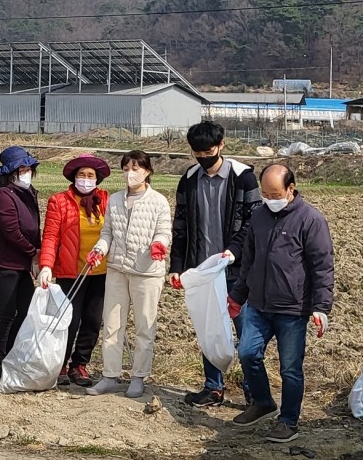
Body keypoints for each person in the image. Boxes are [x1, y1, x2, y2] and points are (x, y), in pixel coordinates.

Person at [227, 163, 334, 443]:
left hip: (293, 309)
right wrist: (237, 296)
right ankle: (263, 402)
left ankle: (288, 421)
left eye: (275, 194)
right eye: (265, 194)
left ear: (291, 189)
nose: (270, 200)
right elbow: (248, 260)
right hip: (258, 305)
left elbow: (322, 267)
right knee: (248, 353)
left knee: (290, 368)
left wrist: (321, 307)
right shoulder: (259, 217)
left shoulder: (311, 220)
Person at [169, 121, 262, 408]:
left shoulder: (243, 177)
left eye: (207, 151)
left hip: (237, 271)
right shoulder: (189, 179)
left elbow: (253, 222)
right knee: (208, 329)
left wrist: (234, 251)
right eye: (196, 152)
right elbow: (180, 225)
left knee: (246, 333)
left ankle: (254, 391)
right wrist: (176, 265)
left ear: (222, 144)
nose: (202, 157)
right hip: (203, 271)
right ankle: (213, 387)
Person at [86, 150, 171, 399]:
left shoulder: (158, 201)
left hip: (147, 272)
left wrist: (159, 245)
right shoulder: (114, 200)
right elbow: (107, 233)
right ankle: (109, 376)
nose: (130, 173)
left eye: (136, 168)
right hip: (117, 269)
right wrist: (99, 250)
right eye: (126, 168)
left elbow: (164, 231)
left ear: (147, 171)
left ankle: (138, 377)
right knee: (112, 324)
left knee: (145, 325)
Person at [38, 154, 111, 387]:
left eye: (91, 176)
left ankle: (80, 364)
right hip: (71, 271)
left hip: (100, 272)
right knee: (69, 320)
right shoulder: (59, 201)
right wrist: (46, 265)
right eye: (82, 175)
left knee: (92, 320)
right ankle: (59, 363)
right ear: (74, 177)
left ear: (97, 180)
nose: (86, 180)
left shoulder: (106, 201)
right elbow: (50, 235)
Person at [0, 146, 41, 379]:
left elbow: (34, 227)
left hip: (20, 263)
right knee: (5, 313)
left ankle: (12, 355)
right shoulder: (3, 195)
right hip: (1, 263)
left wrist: (38, 251)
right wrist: (33, 252)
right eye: (20, 169)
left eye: (28, 169)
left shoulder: (29, 193)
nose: (25, 173)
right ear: (10, 172)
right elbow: (11, 231)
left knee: (25, 309)